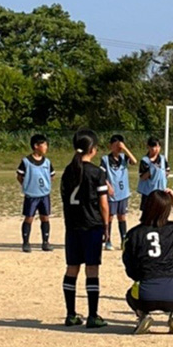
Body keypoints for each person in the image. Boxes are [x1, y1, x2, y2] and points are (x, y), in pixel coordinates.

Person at [124, 189, 173, 335]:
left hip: (145, 296)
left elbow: (129, 267)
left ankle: (143, 315)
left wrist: (140, 277)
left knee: (130, 294)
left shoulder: (133, 234)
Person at [60, 129, 110, 329]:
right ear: (93, 149)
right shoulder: (97, 173)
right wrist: (106, 226)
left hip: (72, 226)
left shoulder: (67, 171)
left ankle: (71, 314)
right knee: (92, 269)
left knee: (72, 268)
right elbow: (104, 204)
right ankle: (92, 315)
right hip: (92, 226)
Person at [17, 134, 56, 253]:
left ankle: (45, 242)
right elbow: (20, 176)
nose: (46, 147)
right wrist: (28, 185)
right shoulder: (26, 161)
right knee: (29, 218)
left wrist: (45, 185)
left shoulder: (47, 162)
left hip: (44, 195)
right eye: (44, 145)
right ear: (36, 146)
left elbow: (52, 176)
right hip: (31, 195)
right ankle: (26, 242)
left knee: (45, 217)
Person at [101, 134, 137, 251]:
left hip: (123, 193)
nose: (118, 148)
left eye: (119, 145)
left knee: (122, 217)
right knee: (110, 217)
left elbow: (134, 161)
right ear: (111, 146)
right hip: (112, 194)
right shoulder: (105, 159)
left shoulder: (123, 158)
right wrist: (108, 186)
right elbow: (101, 175)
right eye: (115, 145)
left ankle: (124, 240)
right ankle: (108, 240)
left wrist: (125, 149)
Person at [138, 136, 170, 214]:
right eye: (154, 147)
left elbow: (167, 171)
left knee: (160, 213)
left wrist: (163, 174)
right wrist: (151, 170)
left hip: (160, 191)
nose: (156, 149)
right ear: (148, 147)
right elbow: (142, 176)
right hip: (148, 193)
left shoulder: (162, 159)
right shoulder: (145, 161)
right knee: (147, 213)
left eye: (158, 146)